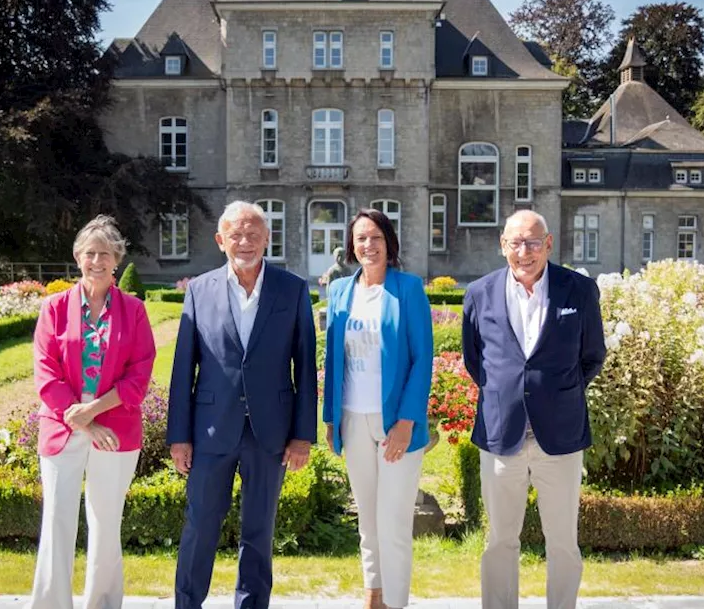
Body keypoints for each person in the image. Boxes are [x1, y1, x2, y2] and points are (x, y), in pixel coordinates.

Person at [168, 201, 318, 609]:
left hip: (270, 431)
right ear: (221, 241)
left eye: (253, 233)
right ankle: (187, 603)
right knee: (200, 525)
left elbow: (305, 365)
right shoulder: (200, 290)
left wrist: (303, 435)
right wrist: (179, 437)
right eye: (235, 234)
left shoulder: (292, 288)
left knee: (259, 530)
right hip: (212, 428)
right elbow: (184, 369)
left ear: (267, 238)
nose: (245, 242)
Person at [461, 210, 606, 609]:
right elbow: (477, 362)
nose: (523, 251)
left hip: (559, 436)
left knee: (562, 542)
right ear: (502, 245)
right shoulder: (479, 293)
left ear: (548, 244)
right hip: (500, 434)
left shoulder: (578, 290)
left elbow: (592, 357)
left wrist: (554, 394)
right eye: (515, 242)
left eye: (532, 242)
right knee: (499, 541)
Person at [30, 215, 157, 609]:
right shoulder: (53, 308)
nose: (96, 261)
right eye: (89, 254)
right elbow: (45, 370)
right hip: (62, 427)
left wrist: (95, 413)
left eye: (105, 254)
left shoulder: (134, 310)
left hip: (114, 429)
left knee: (105, 525)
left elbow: (140, 373)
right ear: (77, 257)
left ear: (116, 259)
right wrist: (81, 417)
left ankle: (102, 604)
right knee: (57, 522)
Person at [322, 209, 433, 609]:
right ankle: (374, 598)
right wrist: (330, 417)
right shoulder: (339, 292)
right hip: (352, 419)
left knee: (394, 524)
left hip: (395, 424)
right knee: (367, 522)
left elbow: (423, 359)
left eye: (376, 238)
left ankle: (397, 602)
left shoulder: (408, 289)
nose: (368, 245)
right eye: (361, 238)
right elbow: (332, 357)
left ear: (389, 244)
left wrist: (406, 421)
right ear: (352, 246)